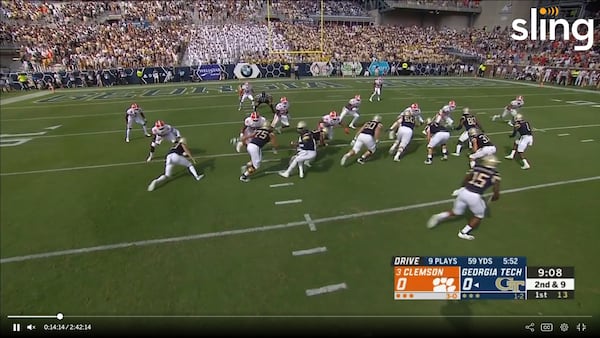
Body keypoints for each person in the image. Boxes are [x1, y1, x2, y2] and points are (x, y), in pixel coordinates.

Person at [426, 155, 501, 240]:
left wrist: (461, 187)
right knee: (479, 215)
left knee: (456, 212)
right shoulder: (495, 174)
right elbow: (496, 188)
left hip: (464, 192)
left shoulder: (477, 168)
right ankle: (463, 232)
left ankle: (439, 216)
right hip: (474, 196)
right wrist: (496, 196)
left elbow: (467, 178)